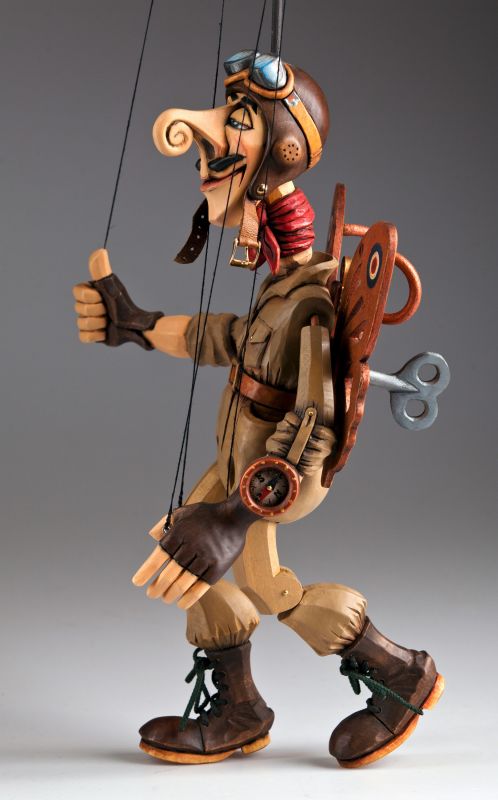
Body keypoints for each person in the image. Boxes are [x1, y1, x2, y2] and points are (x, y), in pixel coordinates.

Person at [73, 49, 443, 767]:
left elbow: (315, 422)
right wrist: (139, 325)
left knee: (268, 587)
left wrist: (236, 516)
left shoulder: (309, 299)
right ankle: (241, 708)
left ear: (281, 158)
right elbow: (230, 338)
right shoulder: (286, 283)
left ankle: (402, 672)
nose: (205, 151)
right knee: (183, 554)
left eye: (236, 125)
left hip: (268, 475)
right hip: (239, 459)